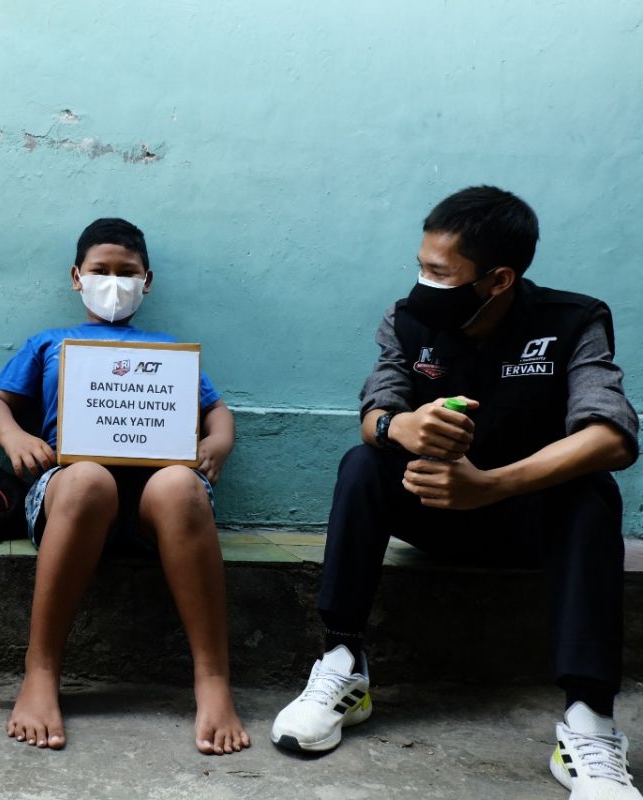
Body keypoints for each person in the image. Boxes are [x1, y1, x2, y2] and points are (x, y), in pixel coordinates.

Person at [270, 187, 639, 799]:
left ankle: (588, 721)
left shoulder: (573, 321)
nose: (423, 282)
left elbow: (613, 434)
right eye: (421, 265)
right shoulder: (408, 321)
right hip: (437, 511)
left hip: (530, 521)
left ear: (497, 279)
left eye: (439, 272)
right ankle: (342, 662)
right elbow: (376, 408)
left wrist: (490, 485)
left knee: (592, 492)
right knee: (363, 463)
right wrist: (399, 425)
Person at [0, 217, 248, 755]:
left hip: (158, 501)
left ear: (148, 281)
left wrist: (217, 444)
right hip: (72, 492)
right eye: (102, 271)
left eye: (128, 273)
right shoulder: (50, 342)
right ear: (77, 277)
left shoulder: (168, 350)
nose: (115, 282)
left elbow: (216, 409)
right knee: (87, 481)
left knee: (179, 487)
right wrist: (15, 439)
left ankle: (213, 680)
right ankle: (40, 672)